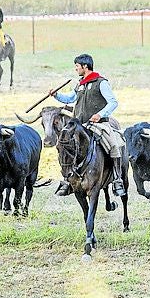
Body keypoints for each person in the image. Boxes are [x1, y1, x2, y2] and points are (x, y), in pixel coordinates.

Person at [50, 54, 127, 197]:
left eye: (77, 66)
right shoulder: (79, 84)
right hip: (79, 126)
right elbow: (71, 98)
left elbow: (113, 102)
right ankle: (67, 180)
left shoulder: (101, 82)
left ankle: (117, 179)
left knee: (114, 146)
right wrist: (57, 95)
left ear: (85, 66)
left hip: (98, 125)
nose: (76, 69)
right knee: (65, 146)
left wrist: (100, 114)